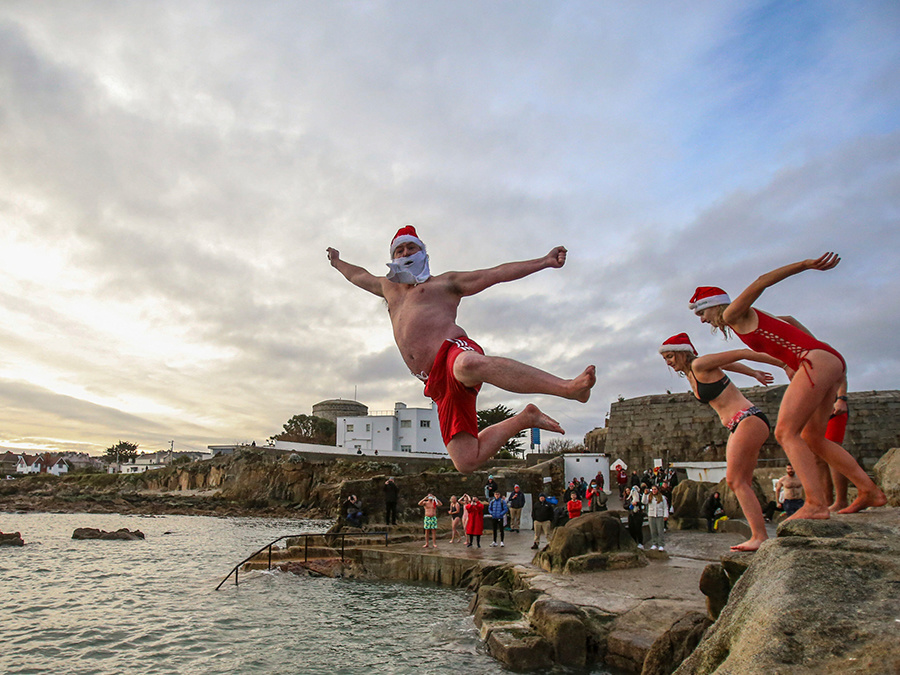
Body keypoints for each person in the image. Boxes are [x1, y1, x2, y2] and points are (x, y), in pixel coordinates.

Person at [327, 227, 596, 473]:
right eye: (400, 250)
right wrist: (338, 262)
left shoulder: (445, 284)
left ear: (424, 253)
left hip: (453, 351)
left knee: (467, 365)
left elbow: (496, 274)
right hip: (435, 379)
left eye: (412, 248)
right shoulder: (388, 288)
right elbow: (358, 275)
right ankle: (527, 417)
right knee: (466, 461)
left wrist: (544, 261)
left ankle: (568, 388)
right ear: (393, 256)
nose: (406, 253)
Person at [689, 254, 886, 519]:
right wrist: (811, 352)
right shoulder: (748, 319)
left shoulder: (734, 312)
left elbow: (761, 282)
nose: (702, 320)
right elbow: (790, 320)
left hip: (814, 362)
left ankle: (815, 503)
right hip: (825, 359)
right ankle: (868, 490)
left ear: (714, 306)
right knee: (813, 438)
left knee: (785, 432)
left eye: (702, 312)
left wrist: (804, 265)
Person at [660, 332, 779, 551]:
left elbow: (740, 353)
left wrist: (785, 363)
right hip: (740, 424)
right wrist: (753, 373)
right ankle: (760, 535)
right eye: (665, 358)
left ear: (683, 353)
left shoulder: (699, 364)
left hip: (747, 419)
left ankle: (759, 536)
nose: (668, 362)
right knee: (742, 481)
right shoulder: (693, 373)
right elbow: (730, 365)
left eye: (670, 356)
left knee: (735, 480)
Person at [825, 379, 850, 511]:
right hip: (814, 406)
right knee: (817, 456)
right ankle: (826, 501)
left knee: (832, 450)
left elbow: (840, 376)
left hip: (833, 406)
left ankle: (841, 500)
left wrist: (841, 398)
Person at [642, 485, 669, 550]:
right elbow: (643, 502)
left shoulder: (662, 497)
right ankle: (654, 543)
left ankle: (661, 544)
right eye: (652, 489)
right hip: (651, 515)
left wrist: (666, 515)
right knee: (653, 530)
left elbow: (665, 507)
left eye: (655, 489)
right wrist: (645, 494)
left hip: (659, 515)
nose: (654, 491)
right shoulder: (649, 497)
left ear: (657, 490)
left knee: (660, 530)